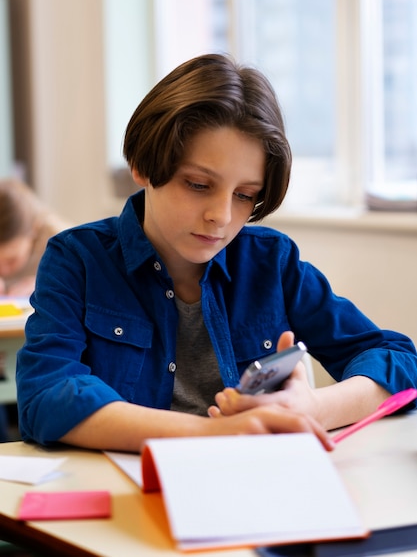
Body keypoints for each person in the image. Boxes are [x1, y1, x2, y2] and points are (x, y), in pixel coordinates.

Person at [16, 54, 417, 454]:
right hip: (130, 494)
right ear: (141, 165)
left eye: (245, 195)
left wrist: (312, 407)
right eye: (197, 184)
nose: (221, 217)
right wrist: (217, 433)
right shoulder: (77, 259)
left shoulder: (271, 263)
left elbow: (399, 361)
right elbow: (46, 395)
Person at [0, 178, 69, 442]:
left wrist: (43, 285)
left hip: (41, 359)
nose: (5, 271)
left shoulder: (65, 248)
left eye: (10, 260)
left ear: (34, 231)